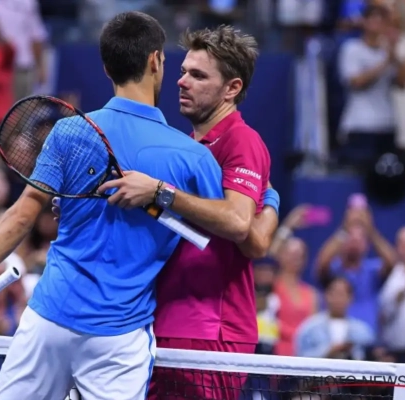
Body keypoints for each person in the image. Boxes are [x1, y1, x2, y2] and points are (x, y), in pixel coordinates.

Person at [0, 11, 225, 400]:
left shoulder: (70, 131)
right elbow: (227, 226)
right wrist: (266, 196)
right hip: (119, 339)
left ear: (106, 67)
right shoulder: (192, 156)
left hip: (49, 320)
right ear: (156, 61)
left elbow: (20, 217)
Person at [97, 25, 277, 400]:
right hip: (164, 321)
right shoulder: (187, 146)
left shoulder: (241, 140)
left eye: (198, 75)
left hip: (210, 329)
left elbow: (239, 224)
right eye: (182, 71)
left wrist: (160, 192)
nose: (181, 81)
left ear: (232, 88)